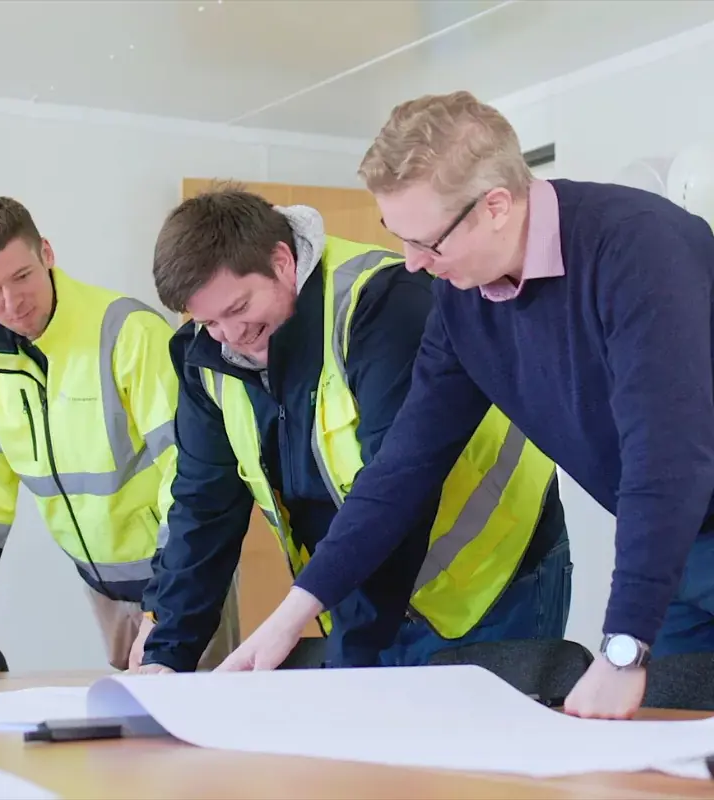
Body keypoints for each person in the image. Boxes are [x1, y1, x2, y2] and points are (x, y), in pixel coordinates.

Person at [218, 92, 714, 720]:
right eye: (397, 238)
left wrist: (620, 652)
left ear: (496, 206)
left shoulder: (636, 247)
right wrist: (291, 617)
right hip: (679, 548)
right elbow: (402, 469)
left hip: (677, 508)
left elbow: (666, 455)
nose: (412, 262)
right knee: (674, 749)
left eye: (427, 242)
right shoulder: (464, 304)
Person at [137, 186, 570, 675]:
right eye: (209, 321)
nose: (230, 336)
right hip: (360, 587)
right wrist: (166, 653)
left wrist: (350, 653)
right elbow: (203, 508)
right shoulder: (207, 357)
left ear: (282, 262)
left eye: (238, 309)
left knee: (478, 748)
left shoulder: (383, 304)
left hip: (492, 575)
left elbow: (401, 488)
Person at [0, 196, 239, 680]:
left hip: (182, 576)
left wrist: (166, 608)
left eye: (22, 277)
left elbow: (190, 474)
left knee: (198, 724)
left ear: (47, 253)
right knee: (131, 735)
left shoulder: (126, 331)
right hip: (103, 586)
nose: (12, 303)